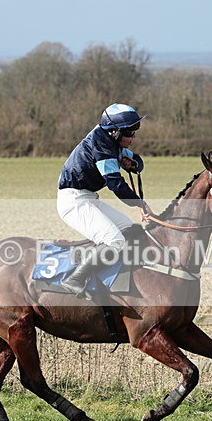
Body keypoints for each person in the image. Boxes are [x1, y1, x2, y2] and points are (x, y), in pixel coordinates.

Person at [56, 103, 149, 299]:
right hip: (74, 201)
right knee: (114, 241)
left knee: (128, 228)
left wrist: (133, 164)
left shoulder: (112, 141)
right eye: (129, 133)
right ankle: (75, 280)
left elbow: (138, 161)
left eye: (134, 133)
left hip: (88, 198)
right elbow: (116, 184)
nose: (133, 138)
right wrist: (140, 203)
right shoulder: (102, 146)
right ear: (115, 132)